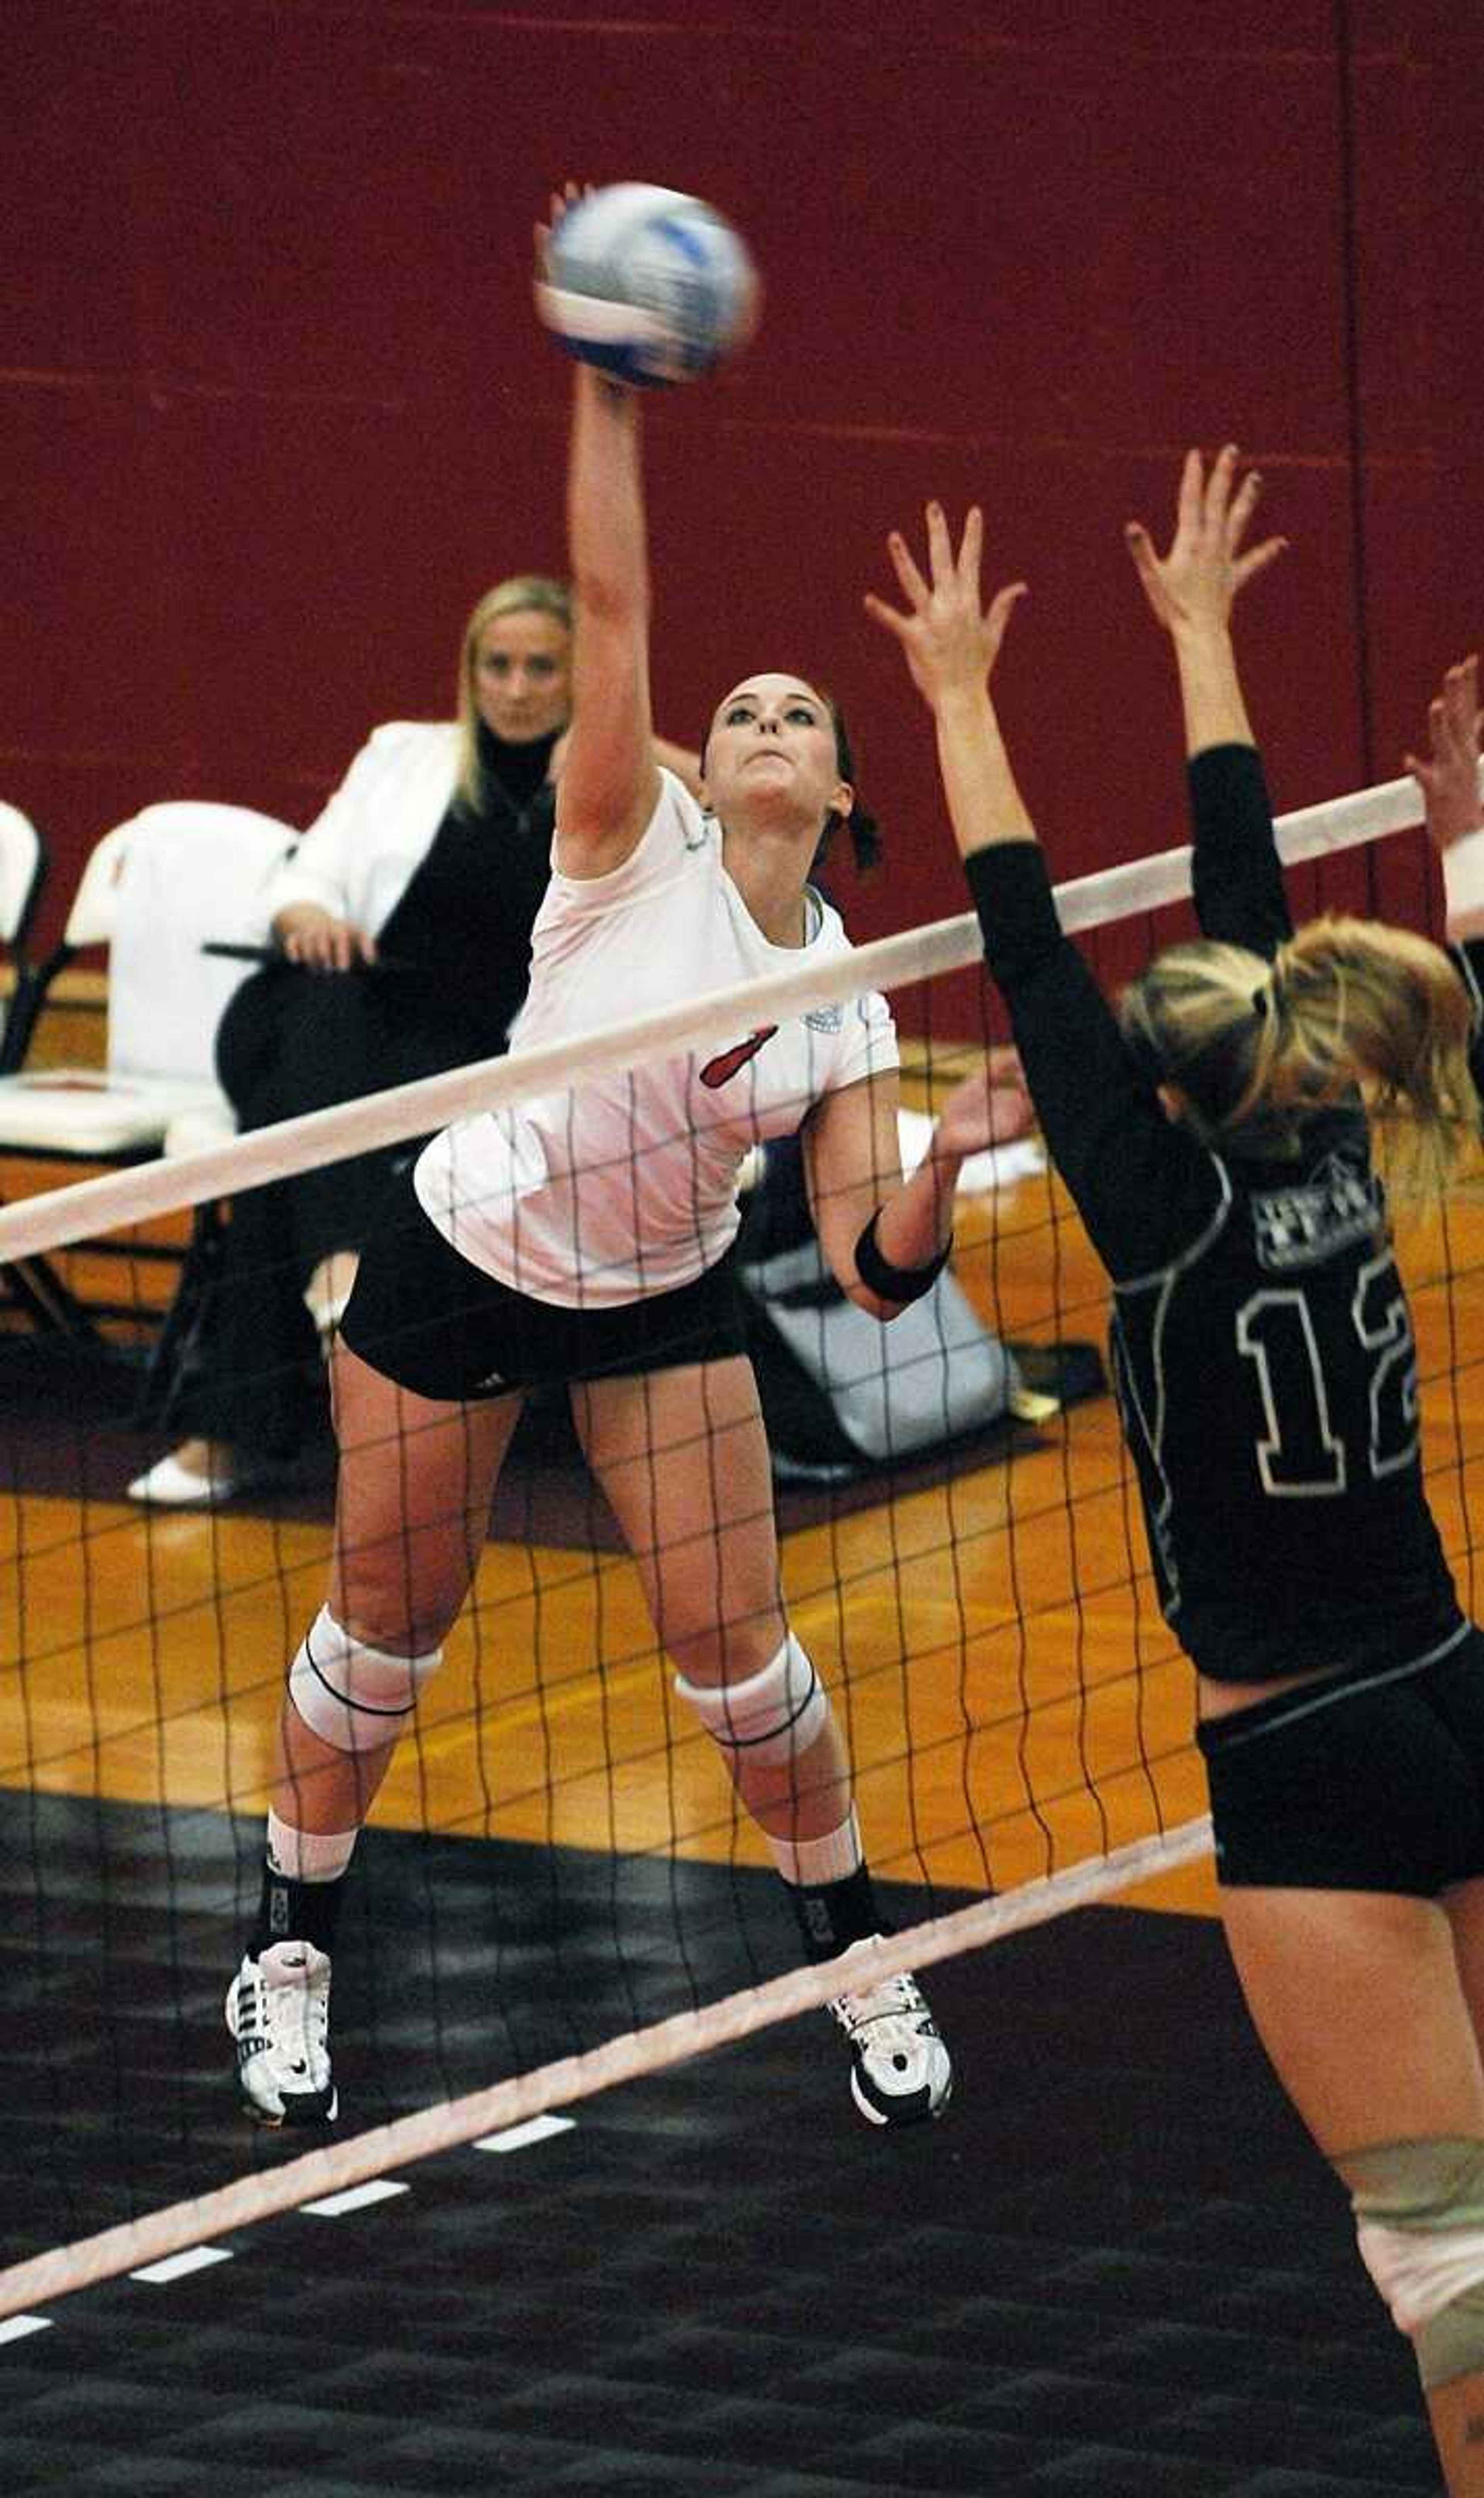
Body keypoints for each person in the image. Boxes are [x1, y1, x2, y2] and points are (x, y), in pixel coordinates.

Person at [221, 324, 1038, 2137]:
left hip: (661, 1302)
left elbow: (867, 1268)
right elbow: (609, 601)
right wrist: (605, 387)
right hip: (466, 1253)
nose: (757, 725)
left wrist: (947, 1160)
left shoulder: (849, 996)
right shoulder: (620, 835)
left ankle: (854, 1957)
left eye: (795, 718)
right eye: (735, 707)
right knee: (384, 1636)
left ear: (836, 792)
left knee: (743, 1672)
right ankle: (289, 1950)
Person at [867, 451, 1484, 2495]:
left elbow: (1025, 950)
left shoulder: (1158, 1213)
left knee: (1455, 2274)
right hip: (1454, 1683)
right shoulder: (1329, 1141)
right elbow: (1223, 895)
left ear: (1154, 1087)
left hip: (1311, 1766)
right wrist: (1205, 631)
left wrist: (961, 694)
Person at [128, 574, 699, 1506]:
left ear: (583, 677)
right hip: (315, 1011)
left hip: (473, 1062)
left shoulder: (627, 791)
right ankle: (341, 1280)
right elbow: (306, 873)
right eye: (496, 666)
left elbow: (732, 809)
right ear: (470, 672)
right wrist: (310, 914)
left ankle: (234, 1432)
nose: (514, 688)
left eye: (542, 669)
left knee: (279, 1147)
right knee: (330, 1019)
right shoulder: (405, 755)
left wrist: (627, 738)